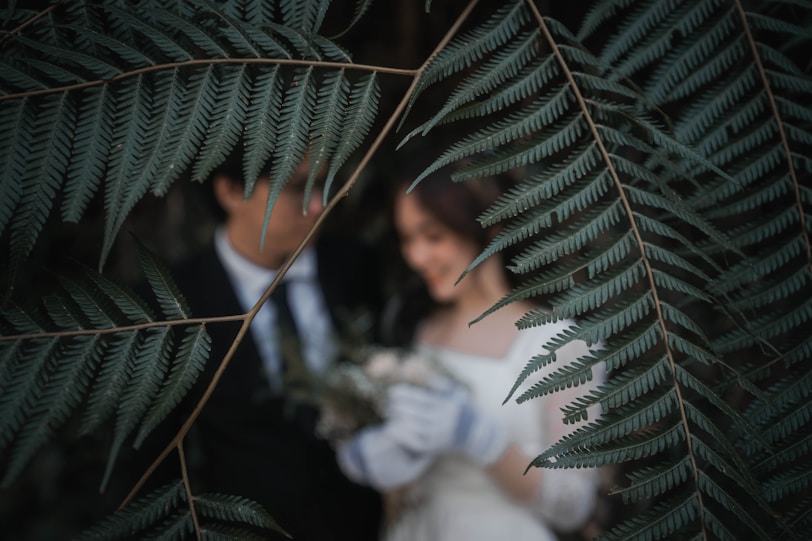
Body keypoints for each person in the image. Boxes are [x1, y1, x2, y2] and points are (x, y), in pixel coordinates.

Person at [336, 168, 605, 541]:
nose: (416, 256)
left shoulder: (561, 342)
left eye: (433, 236)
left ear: (489, 230)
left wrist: (486, 441)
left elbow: (574, 505)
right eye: (407, 239)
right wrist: (377, 460)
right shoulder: (411, 324)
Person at [152, 148, 383, 540]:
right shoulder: (173, 306)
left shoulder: (353, 266)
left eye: (323, 184)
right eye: (297, 189)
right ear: (230, 191)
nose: (317, 205)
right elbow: (153, 462)